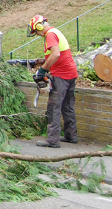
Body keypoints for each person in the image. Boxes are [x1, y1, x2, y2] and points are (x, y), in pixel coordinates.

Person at [29, 15, 78, 148]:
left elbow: (56, 54)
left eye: (36, 31)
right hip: (71, 73)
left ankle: (52, 140)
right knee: (68, 105)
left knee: (54, 107)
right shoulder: (56, 31)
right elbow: (58, 55)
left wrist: (43, 70)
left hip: (61, 75)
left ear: (39, 26)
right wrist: (43, 62)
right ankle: (71, 135)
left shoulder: (50, 34)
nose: (38, 34)